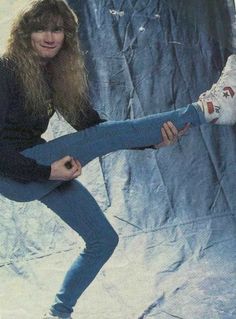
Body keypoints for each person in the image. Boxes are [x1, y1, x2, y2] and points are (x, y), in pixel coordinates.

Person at [0, 0, 235, 318]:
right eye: (41, 27)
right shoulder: (6, 71)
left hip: (38, 167)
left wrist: (155, 141)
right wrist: (46, 171)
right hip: (14, 173)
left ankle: (58, 313)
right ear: (25, 32)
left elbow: (96, 128)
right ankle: (207, 110)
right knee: (101, 139)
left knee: (102, 239)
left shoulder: (54, 76)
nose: (50, 36)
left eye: (57, 29)